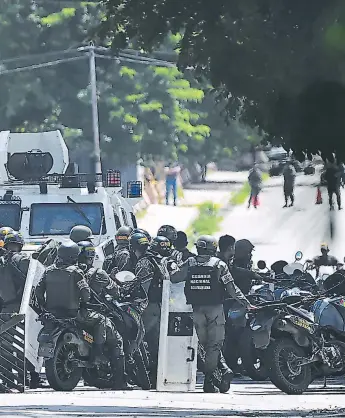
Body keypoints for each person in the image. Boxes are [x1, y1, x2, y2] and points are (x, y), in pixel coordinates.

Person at [171, 235, 252, 393]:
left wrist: (170, 267)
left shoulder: (190, 263)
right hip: (215, 310)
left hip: (196, 310)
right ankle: (210, 380)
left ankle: (219, 374)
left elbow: (174, 278)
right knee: (214, 345)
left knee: (204, 345)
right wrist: (246, 303)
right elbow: (231, 288)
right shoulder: (219, 264)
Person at [35, 240, 108, 366]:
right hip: (73, 314)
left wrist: (43, 306)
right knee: (101, 320)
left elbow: (38, 290)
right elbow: (85, 293)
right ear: (75, 256)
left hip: (51, 314)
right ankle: (98, 354)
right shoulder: (76, 272)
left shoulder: (48, 270)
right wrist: (84, 301)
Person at [77, 241, 131, 390]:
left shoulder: (71, 271)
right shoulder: (98, 273)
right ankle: (120, 381)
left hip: (72, 314)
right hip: (91, 313)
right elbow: (115, 291)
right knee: (117, 340)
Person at [130, 232, 166, 386]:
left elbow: (142, 286)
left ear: (133, 247)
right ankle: (155, 375)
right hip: (160, 305)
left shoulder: (143, 263)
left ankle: (146, 374)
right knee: (154, 342)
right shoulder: (157, 259)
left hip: (149, 306)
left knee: (141, 339)